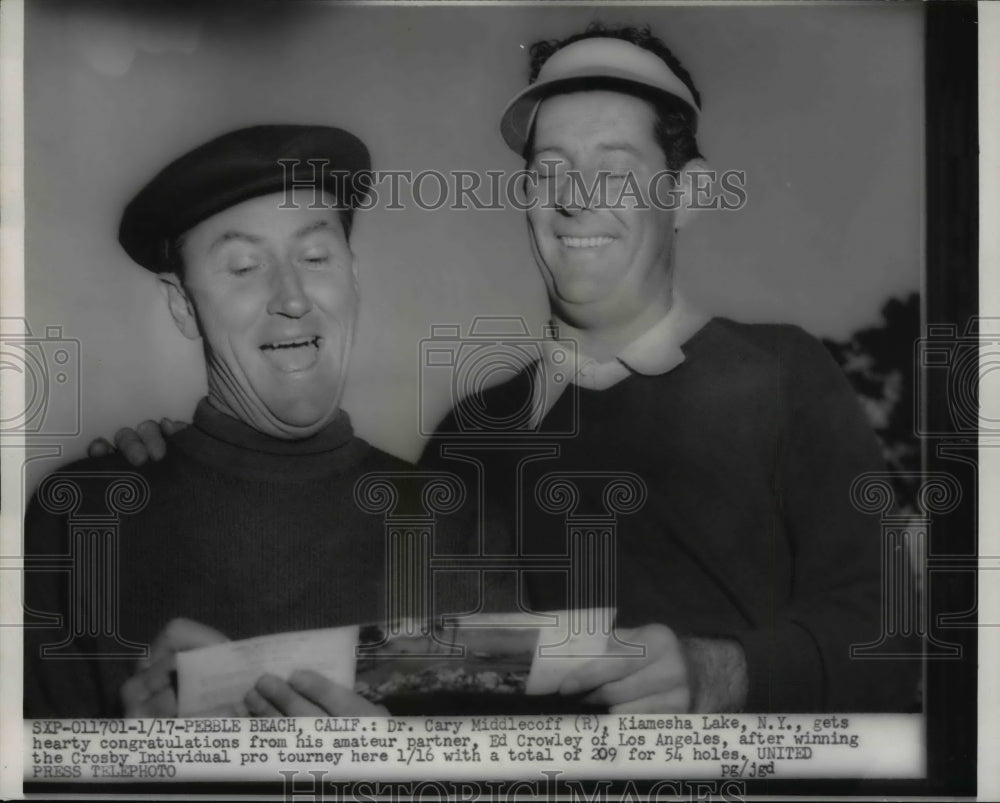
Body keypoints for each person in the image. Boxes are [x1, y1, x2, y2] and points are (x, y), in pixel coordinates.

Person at [88, 25, 917, 714]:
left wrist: (722, 670)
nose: (575, 198)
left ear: (689, 194)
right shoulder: (464, 442)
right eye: (549, 170)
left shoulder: (782, 372)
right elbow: (419, 674)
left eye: (616, 169)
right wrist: (187, 464)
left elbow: (890, 633)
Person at [23, 125, 449, 718]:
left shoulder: (460, 521)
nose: (293, 297)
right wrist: (130, 763)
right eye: (244, 267)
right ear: (182, 304)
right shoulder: (79, 521)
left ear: (353, 275)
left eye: (316, 256)